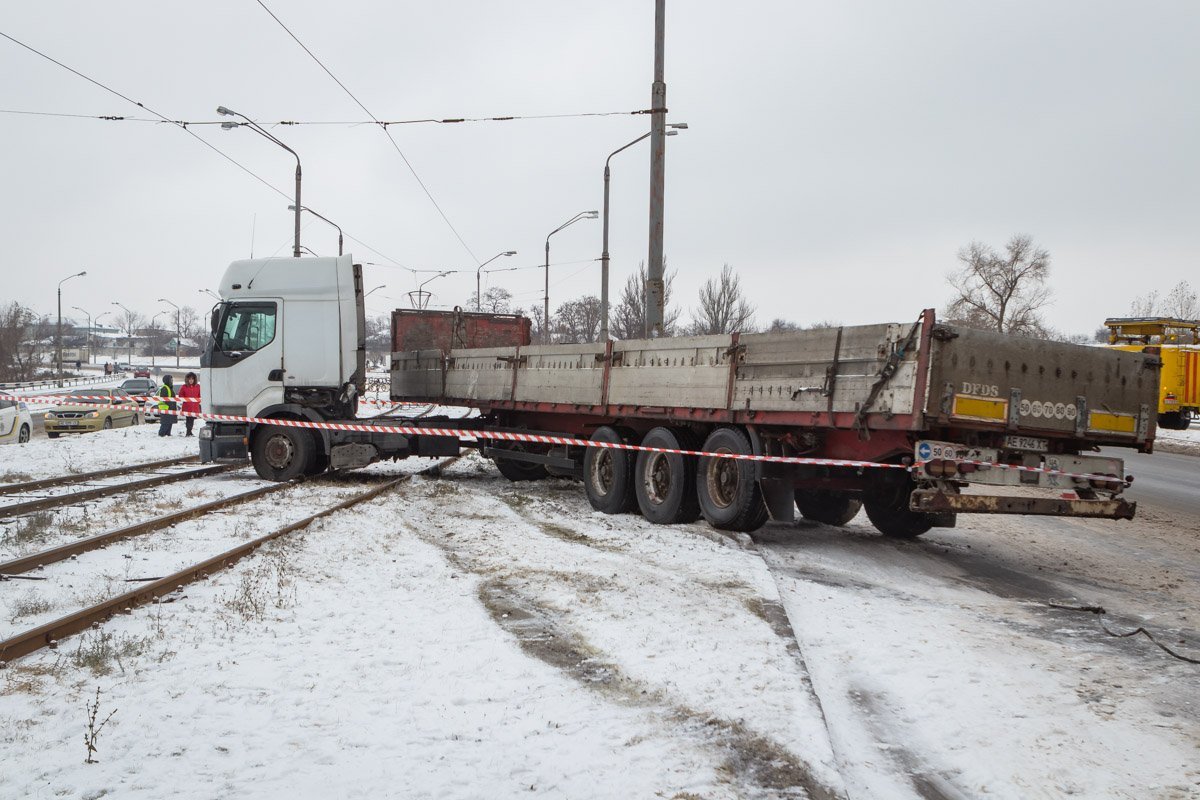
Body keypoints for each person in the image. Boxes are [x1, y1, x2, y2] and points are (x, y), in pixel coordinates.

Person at [178, 372, 202, 437]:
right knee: (189, 419)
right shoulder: (184, 387)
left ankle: (189, 431)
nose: (191, 380)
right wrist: (185, 399)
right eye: (190, 379)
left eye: (192, 379)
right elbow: (180, 395)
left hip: (194, 407)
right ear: (187, 380)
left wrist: (198, 401)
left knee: (192, 419)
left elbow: (200, 395)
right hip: (187, 407)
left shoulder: (198, 387)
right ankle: (188, 432)